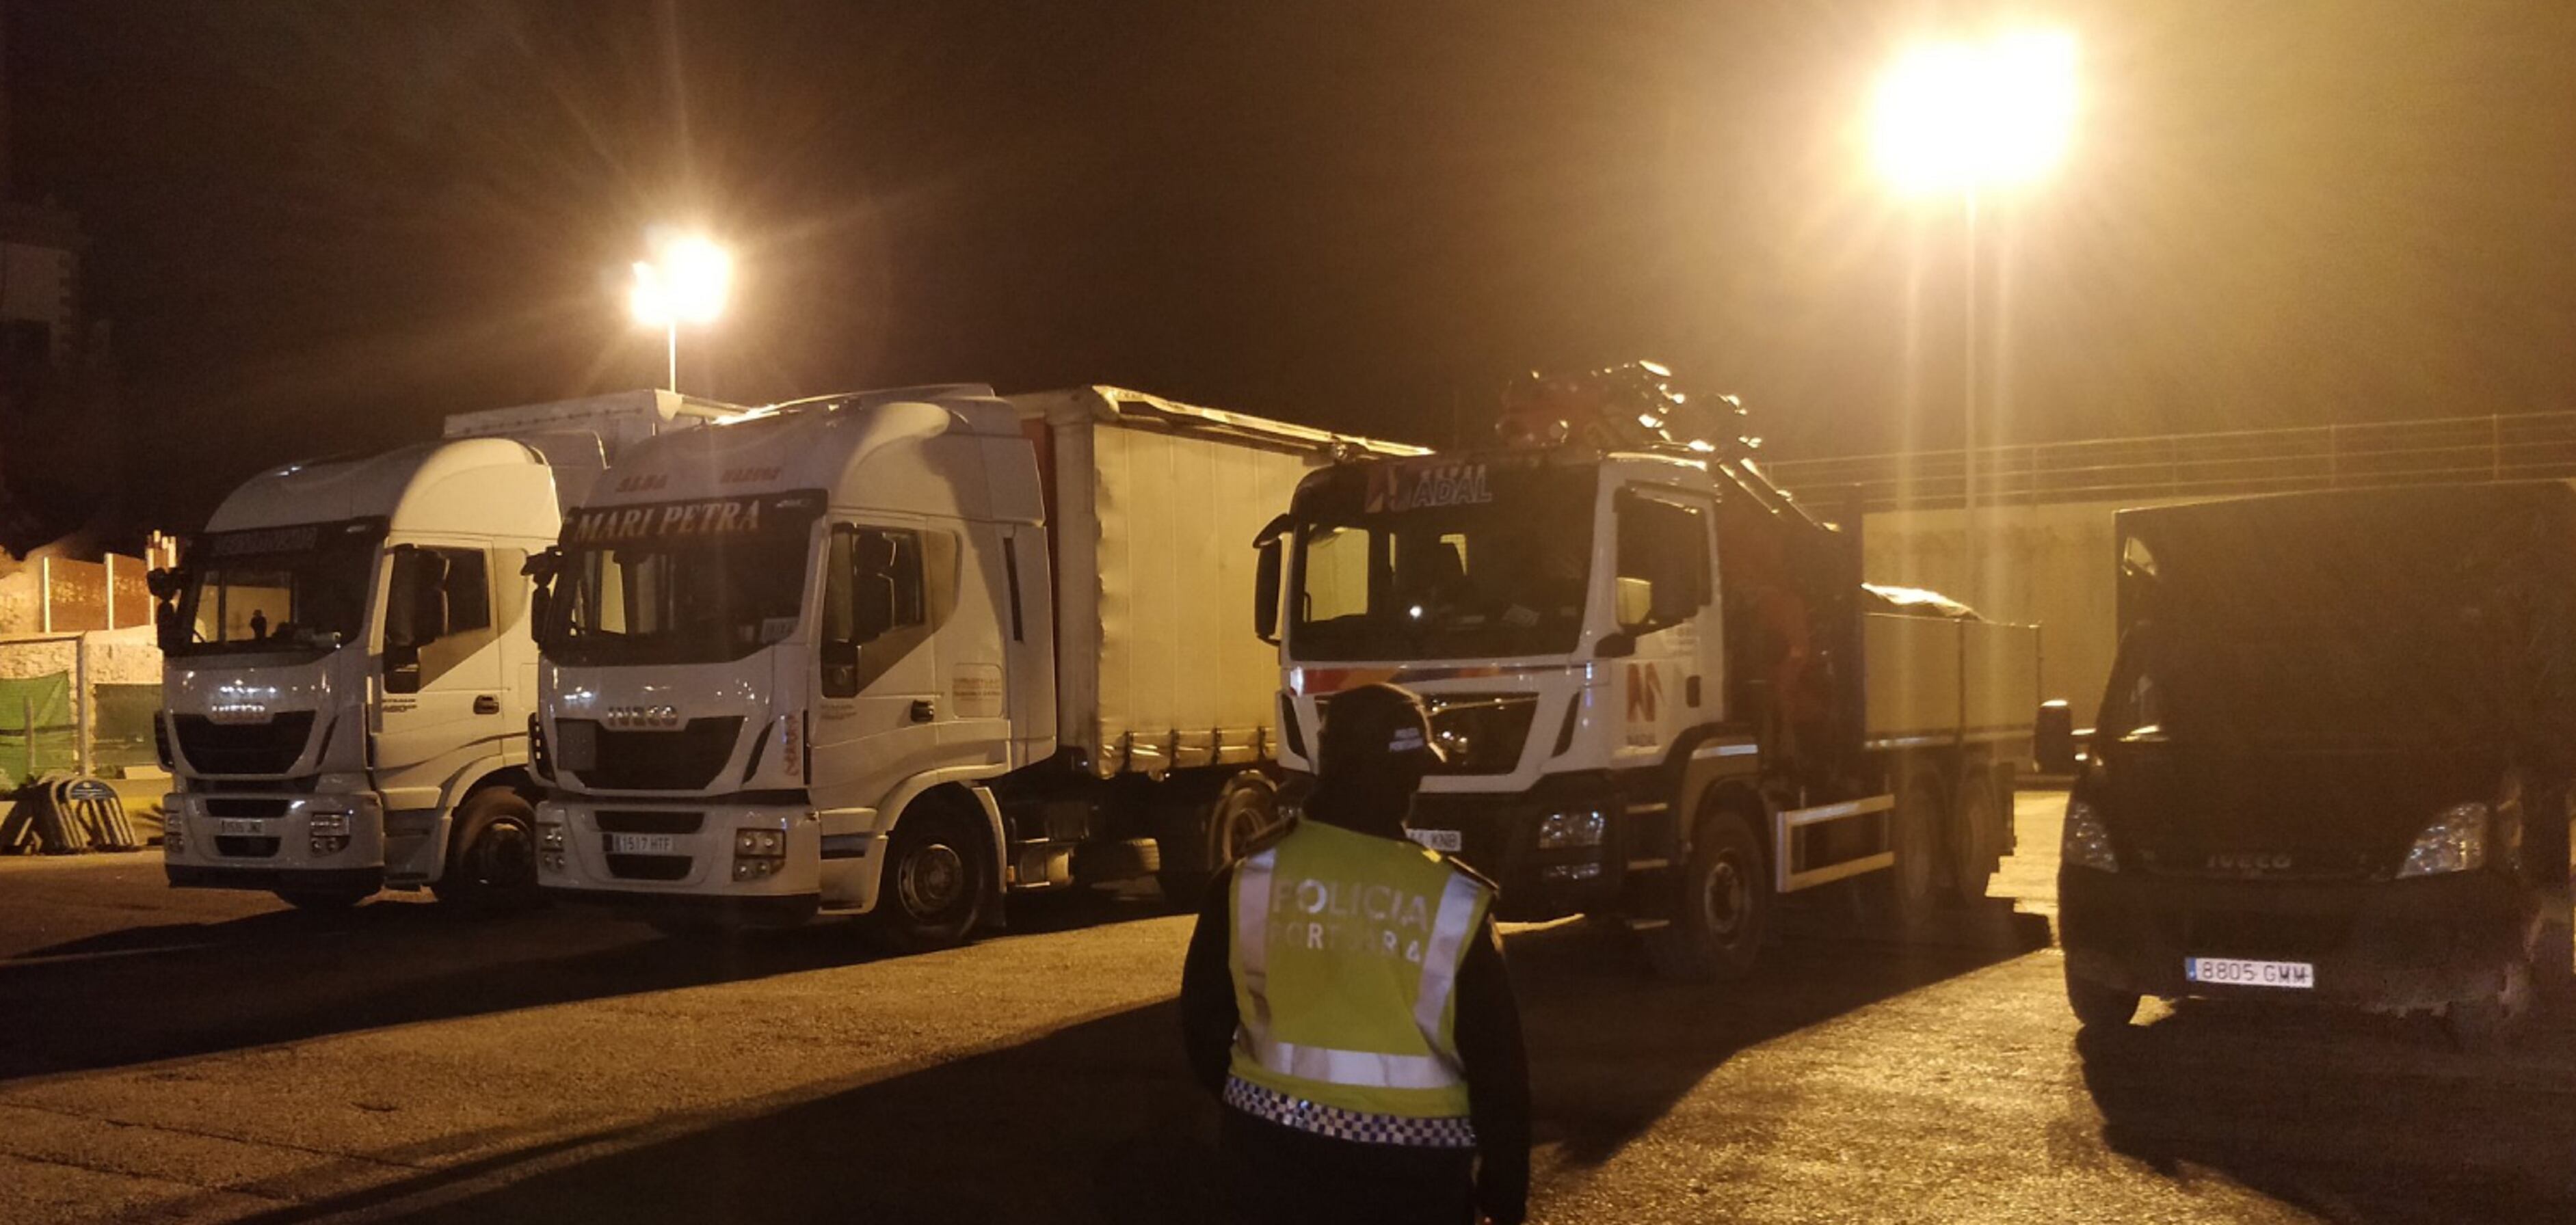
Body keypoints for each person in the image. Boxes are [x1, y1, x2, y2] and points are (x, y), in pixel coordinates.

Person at [1180, 682, 1530, 1225]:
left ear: (1329, 765)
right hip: (1412, 1182)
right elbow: (1499, 1074)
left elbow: (1203, 1027)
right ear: (1409, 777)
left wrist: (1258, 1110)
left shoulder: (1245, 880)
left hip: (1269, 1167)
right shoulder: (1453, 902)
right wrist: (1504, 1196)